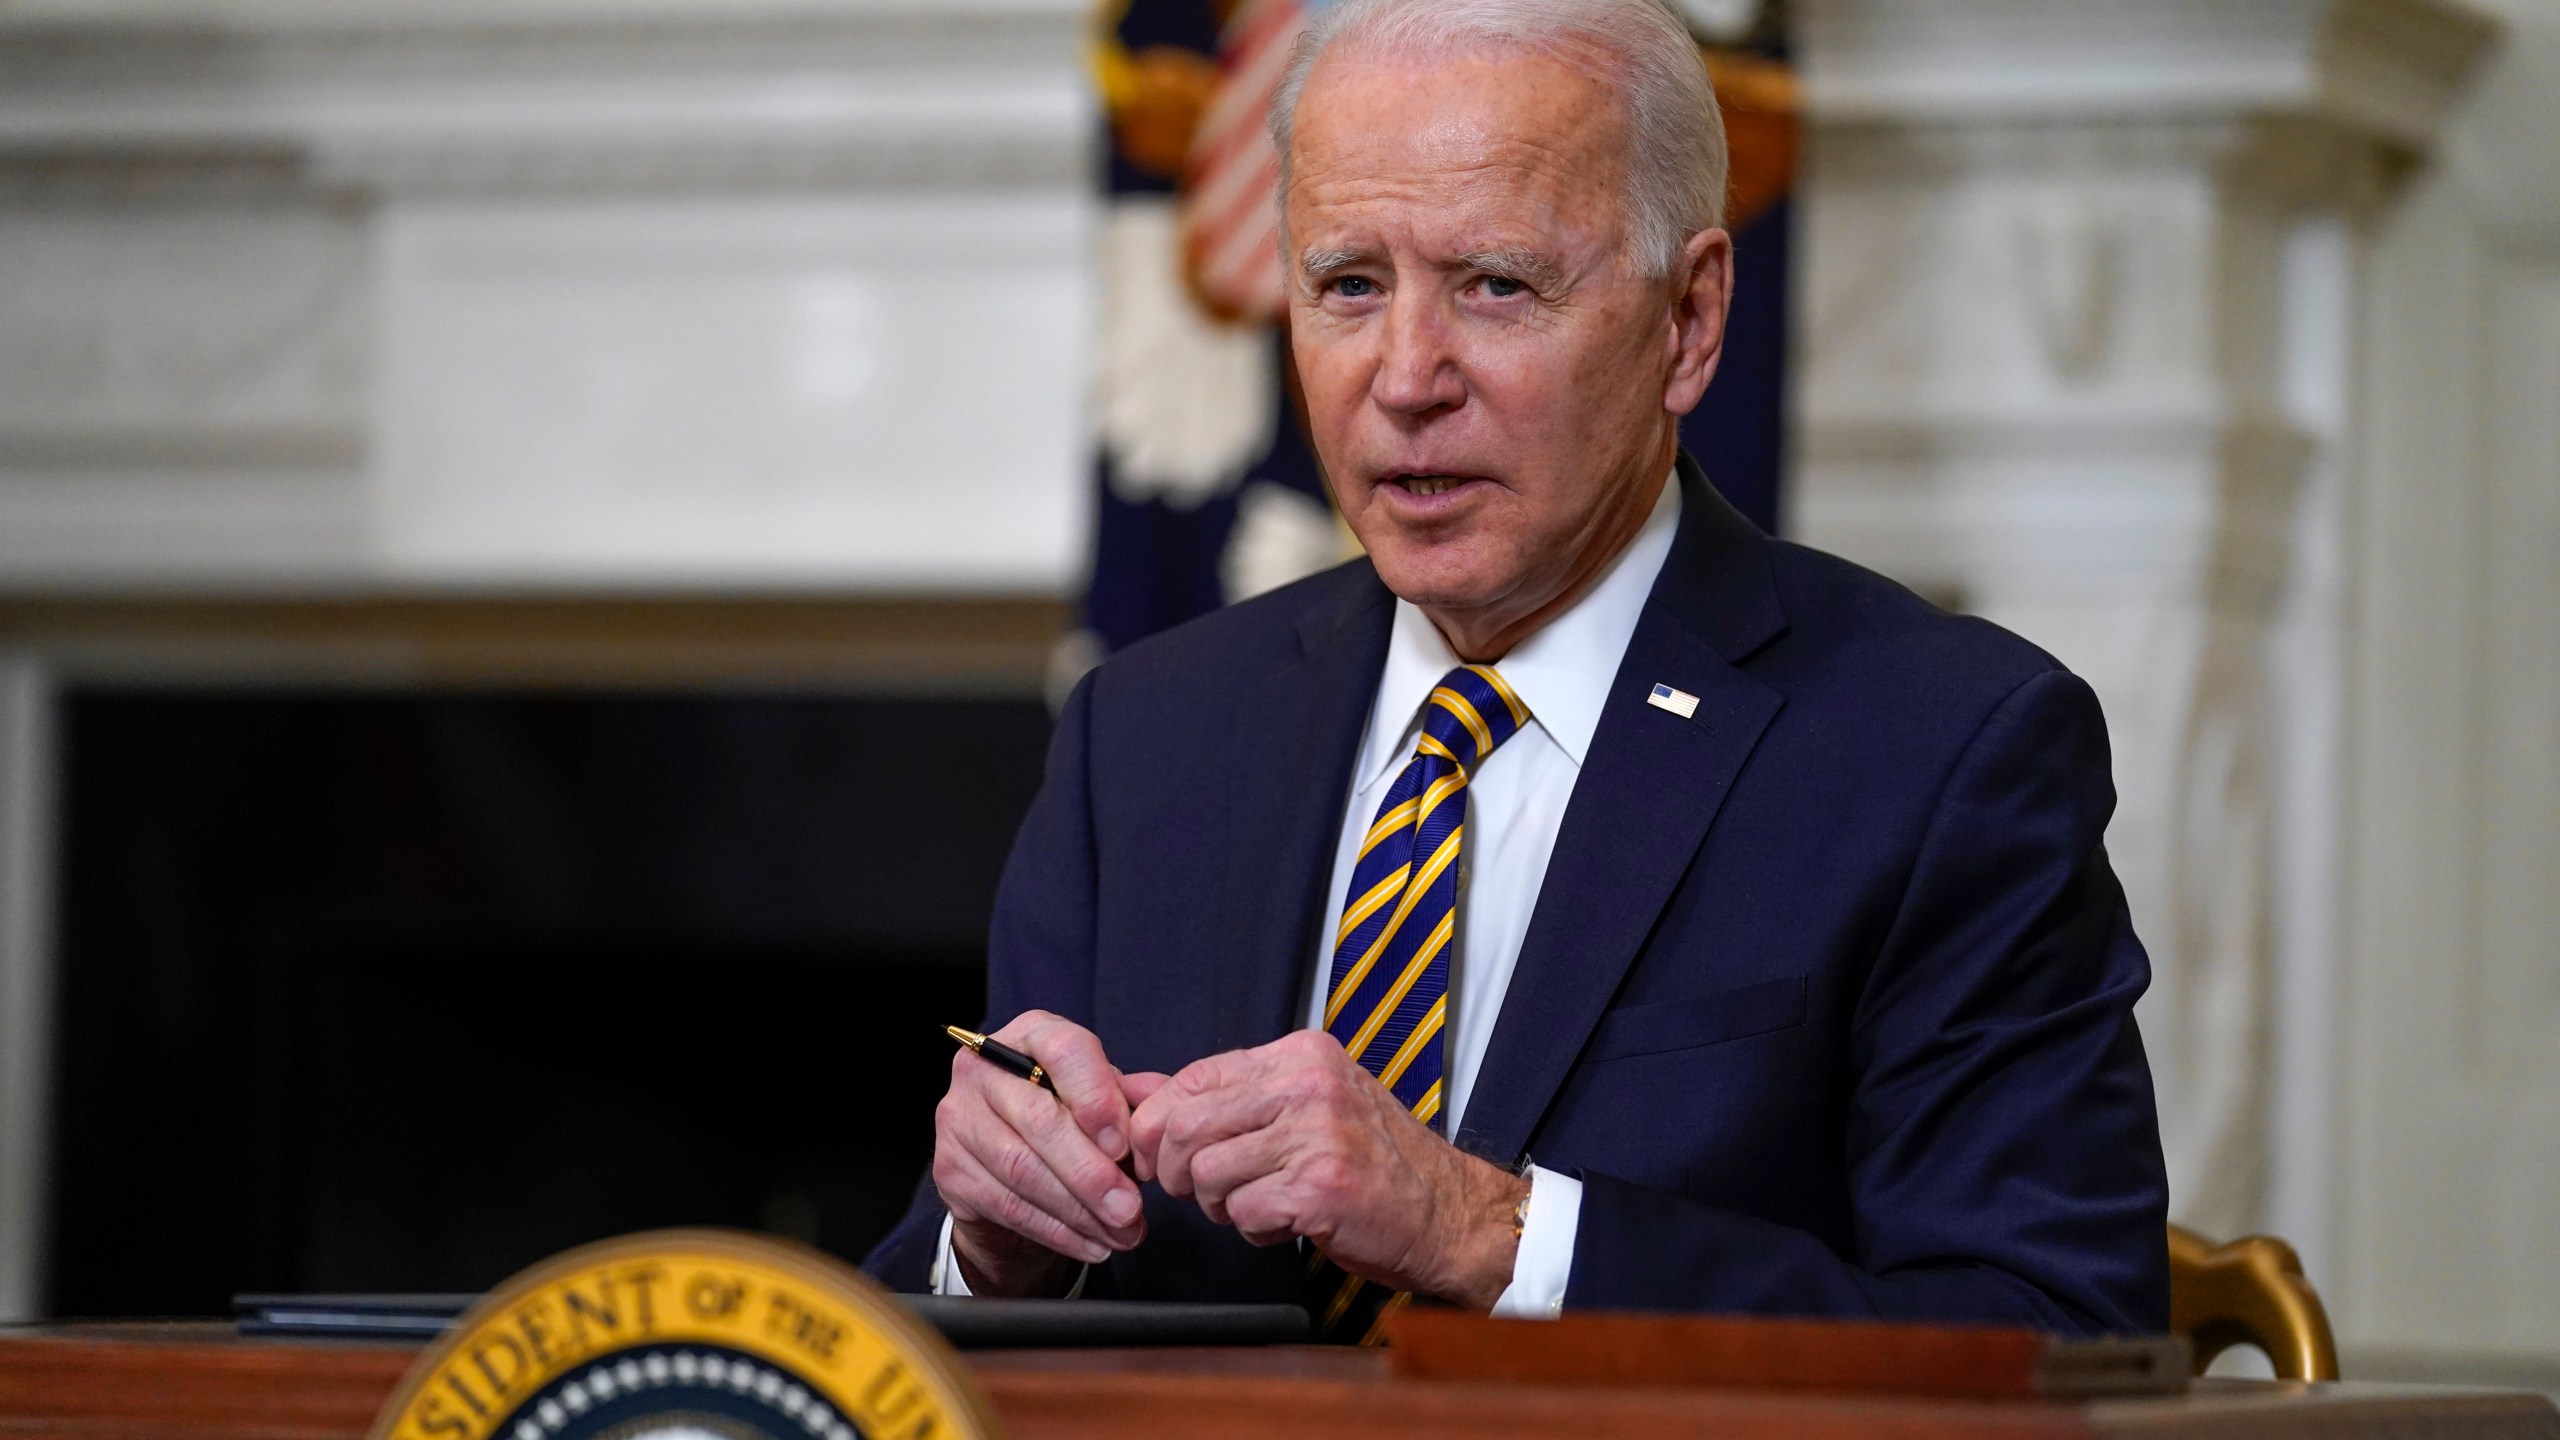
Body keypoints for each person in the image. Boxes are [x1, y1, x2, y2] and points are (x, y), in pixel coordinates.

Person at [865, 0, 2168, 1336]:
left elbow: (2054, 1339)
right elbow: (917, 1334)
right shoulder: (1144, 738)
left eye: (1496, 285)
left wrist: (1481, 1230)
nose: (1406, 378)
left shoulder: (1942, 753)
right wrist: (995, 1241)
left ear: (1691, 319)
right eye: (1349, 286)